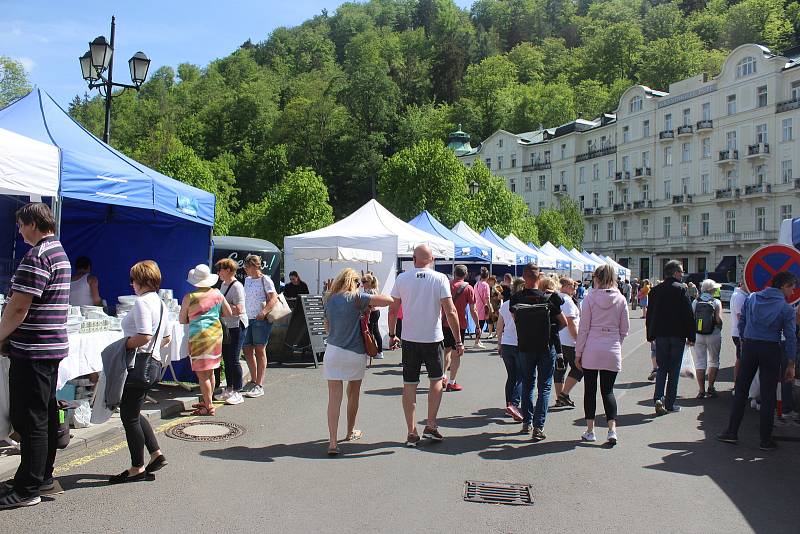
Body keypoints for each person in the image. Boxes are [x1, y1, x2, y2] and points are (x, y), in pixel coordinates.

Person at [0, 204, 70, 509]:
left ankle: (28, 487)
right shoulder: (59, 253)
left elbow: (18, 307)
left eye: (20, 225)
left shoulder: (37, 256)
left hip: (33, 350)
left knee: (31, 419)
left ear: (31, 223)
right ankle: (38, 477)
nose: (19, 231)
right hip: (48, 348)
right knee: (42, 415)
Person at [388, 245, 462, 447]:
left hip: (410, 338)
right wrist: (458, 341)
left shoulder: (402, 278)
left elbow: (393, 310)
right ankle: (430, 424)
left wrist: (392, 334)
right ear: (432, 259)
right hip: (433, 337)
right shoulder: (440, 279)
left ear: (413, 259)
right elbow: (451, 311)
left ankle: (411, 431)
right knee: (436, 380)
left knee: (409, 384)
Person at [718, 272, 798, 451]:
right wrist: (791, 363)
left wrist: (745, 342)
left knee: (741, 390)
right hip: (771, 349)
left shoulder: (753, 297)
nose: (793, 292)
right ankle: (765, 440)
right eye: (792, 287)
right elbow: (791, 337)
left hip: (750, 346)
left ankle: (731, 432)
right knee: (768, 395)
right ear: (784, 286)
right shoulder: (786, 309)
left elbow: (742, 322)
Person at [110, 260, 172, 484]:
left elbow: (144, 335)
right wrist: (151, 348)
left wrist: (123, 345)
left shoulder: (142, 303)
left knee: (129, 416)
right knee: (134, 412)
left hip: (138, 365)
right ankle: (156, 454)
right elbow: (166, 338)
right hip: (152, 364)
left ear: (141, 281)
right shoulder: (161, 303)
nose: (131, 284)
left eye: (133, 279)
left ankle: (137, 467)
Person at [323, 269, 392, 455]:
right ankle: (349, 431)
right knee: (353, 394)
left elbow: (327, 325)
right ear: (354, 282)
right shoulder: (357, 298)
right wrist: (366, 298)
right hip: (355, 352)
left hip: (333, 351)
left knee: (333, 398)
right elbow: (389, 301)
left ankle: (332, 442)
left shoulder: (329, 298)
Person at [510, 263, 567, 441]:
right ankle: (538, 426)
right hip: (545, 346)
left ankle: (526, 422)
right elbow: (563, 323)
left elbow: (515, 319)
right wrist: (550, 329)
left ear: (524, 277)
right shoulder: (549, 298)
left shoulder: (516, 299)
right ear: (539, 278)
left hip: (525, 346)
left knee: (527, 384)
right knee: (545, 387)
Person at [575, 265, 630, 445]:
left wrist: (578, 353)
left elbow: (583, 328)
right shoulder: (621, 299)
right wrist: (615, 342)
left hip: (592, 346)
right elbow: (625, 329)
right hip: (612, 347)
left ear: (596, 278)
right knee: (608, 391)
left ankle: (590, 430)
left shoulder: (590, 298)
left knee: (590, 390)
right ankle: (611, 429)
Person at [179, 264, 232, 416]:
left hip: (199, 338)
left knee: (202, 375)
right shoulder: (217, 293)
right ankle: (209, 400)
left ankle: (208, 406)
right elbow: (228, 312)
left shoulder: (190, 297)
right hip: (215, 336)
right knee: (210, 372)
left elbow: (182, 319)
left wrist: (195, 316)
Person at [646, 261, 695, 416]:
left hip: (660, 334)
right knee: (674, 369)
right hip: (677, 334)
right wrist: (691, 336)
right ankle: (670, 403)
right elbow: (688, 315)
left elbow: (650, 314)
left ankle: (658, 398)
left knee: (661, 367)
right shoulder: (681, 289)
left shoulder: (655, 290)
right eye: (681, 272)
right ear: (675, 273)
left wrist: (650, 334)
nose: (683, 275)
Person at [240, 254, 277, 398]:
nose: (245, 270)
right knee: (247, 349)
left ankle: (259, 384)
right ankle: (253, 379)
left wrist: (264, 312)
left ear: (254, 266)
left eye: (247, 267)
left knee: (260, 349)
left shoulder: (265, 279)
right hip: (247, 319)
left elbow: (273, 298)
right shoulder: (247, 280)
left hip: (260, 319)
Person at [213, 258, 247, 406]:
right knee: (226, 358)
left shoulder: (237, 286)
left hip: (237, 326)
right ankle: (229, 388)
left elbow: (239, 309)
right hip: (227, 326)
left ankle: (238, 391)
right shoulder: (223, 284)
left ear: (228, 270)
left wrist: (224, 309)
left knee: (234, 358)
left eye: (220, 269)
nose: (218, 272)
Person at [442, 265, 478, 392]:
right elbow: (473, 310)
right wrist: (477, 326)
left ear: (454, 273)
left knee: (445, 350)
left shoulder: (446, 285)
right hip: (459, 324)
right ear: (466, 274)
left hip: (444, 321)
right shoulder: (468, 288)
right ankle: (452, 382)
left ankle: (443, 376)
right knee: (456, 352)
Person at [496, 277, 526, 422]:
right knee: (520, 376)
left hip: (507, 343)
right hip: (519, 344)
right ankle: (514, 404)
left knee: (511, 376)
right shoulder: (524, 304)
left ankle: (509, 404)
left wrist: (499, 344)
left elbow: (499, 326)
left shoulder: (506, 305)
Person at [692, 279, 723, 399]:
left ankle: (701, 390)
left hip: (698, 334)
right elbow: (718, 319)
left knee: (700, 362)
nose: (716, 290)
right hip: (713, 334)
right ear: (710, 290)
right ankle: (711, 387)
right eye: (714, 288)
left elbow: (691, 318)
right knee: (714, 360)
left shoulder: (695, 301)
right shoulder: (716, 302)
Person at [554, 277, 582, 408]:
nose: (574, 288)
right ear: (563, 286)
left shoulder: (558, 298)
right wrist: (578, 339)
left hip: (560, 339)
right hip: (569, 340)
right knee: (579, 368)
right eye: (572, 285)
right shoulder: (567, 300)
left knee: (560, 368)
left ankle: (560, 397)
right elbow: (570, 322)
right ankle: (563, 394)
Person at [361, 273, 384, 359]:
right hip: (373, 312)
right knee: (373, 331)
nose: (362, 284)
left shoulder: (371, 291)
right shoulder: (369, 291)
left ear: (369, 282)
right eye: (362, 282)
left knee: (370, 332)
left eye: (364, 282)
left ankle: (372, 351)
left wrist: (367, 307)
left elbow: (373, 303)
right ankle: (378, 351)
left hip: (373, 313)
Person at [729, 283, 748, 384]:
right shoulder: (739, 296)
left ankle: (738, 384)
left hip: (739, 332)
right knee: (740, 359)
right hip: (740, 333)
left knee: (741, 358)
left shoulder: (740, 295)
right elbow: (740, 317)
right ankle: (737, 383)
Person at [473, 267, 491, 349]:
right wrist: (490, 308)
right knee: (481, 324)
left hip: (476, 306)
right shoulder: (486, 285)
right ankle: (476, 341)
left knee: (478, 324)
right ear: (487, 276)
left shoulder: (476, 284)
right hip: (483, 308)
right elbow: (487, 298)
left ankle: (478, 340)